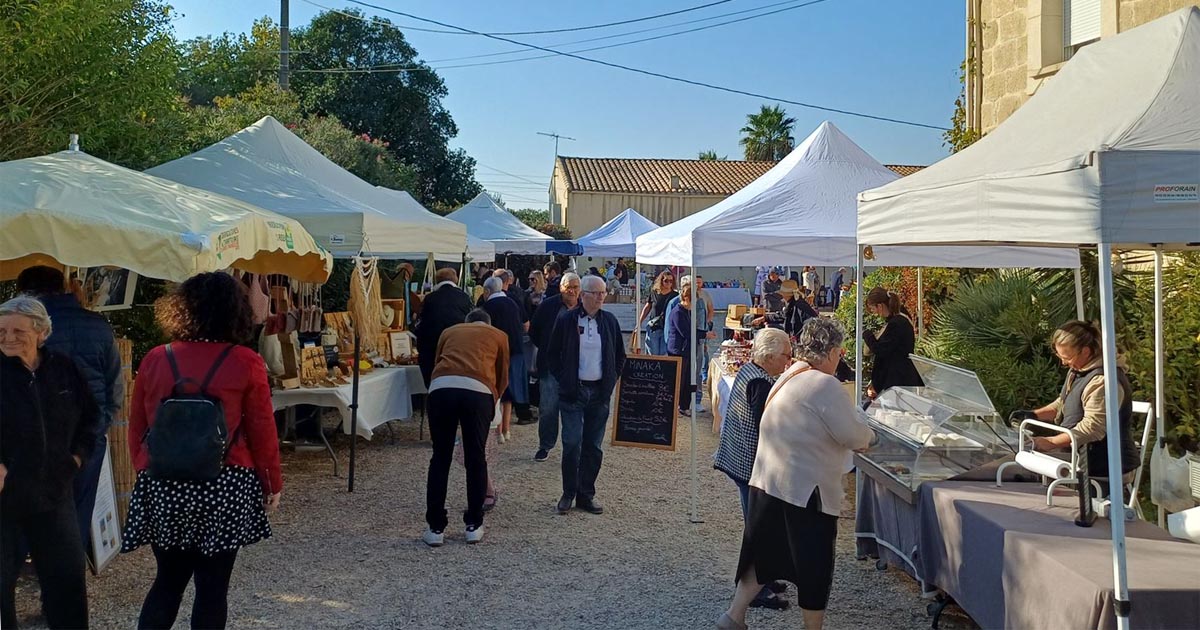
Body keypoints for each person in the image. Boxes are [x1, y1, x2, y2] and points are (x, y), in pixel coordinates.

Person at [123, 272, 281, 630]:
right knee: (212, 588)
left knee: (167, 582)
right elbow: (262, 430)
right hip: (226, 481)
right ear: (236, 311)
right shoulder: (245, 360)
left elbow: (138, 425)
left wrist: (143, 467)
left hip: (165, 482)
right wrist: (271, 482)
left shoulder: (156, 358)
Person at [718, 318, 874, 630]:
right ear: (830, 352)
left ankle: (733, 616)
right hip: (805, 491)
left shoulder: (789, 374)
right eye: (839, 352)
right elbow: (852, 435)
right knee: (813, 564)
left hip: (768, 481)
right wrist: (872, 436)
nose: (839, 359)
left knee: (761, 555)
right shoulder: (823, 384)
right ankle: (811, 627)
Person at [0, 296, 99, 630]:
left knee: (67, 583)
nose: (8, 337)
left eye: (17, 330)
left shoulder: (63, 369)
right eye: (1, 330)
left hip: (55, 493)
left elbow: (91, 419)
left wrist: (76, 458)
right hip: (5, 498)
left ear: (41, 332)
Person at [16, 266, 123, 554]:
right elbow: (115, 385)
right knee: (79, 504)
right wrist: (101, 424)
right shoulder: (98, 325)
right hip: (88, 435)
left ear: (27, 293)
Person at [713, 328, 793, 611]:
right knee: (759, 529)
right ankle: (755, 590)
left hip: (738, 460)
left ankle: (765, 578)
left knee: (758, 525)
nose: (789, 359)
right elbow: (767, 427)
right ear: (770, 355)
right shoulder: (759, 383)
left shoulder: (749, 370)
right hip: (749, 466)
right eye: (786, 354)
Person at [422, 309, 510, 547]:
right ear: (487, 323)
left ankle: (435, 527)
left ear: (466, 322)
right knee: (476, 458)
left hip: (441, 387)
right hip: (478, 390)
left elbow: (437, 360)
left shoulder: (449, 332)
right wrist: (493, 401)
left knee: (440, 457)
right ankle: (474, 524)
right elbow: (502, 375)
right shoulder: (499, 335)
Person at [1019, 321, 1139, 481]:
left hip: (1103, 464)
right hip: (1077, 455)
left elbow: (1093, 428)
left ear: (1086, 352)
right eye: (1059, 356)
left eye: (1067, 357)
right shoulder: (1078, 370)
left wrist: (1051, 442)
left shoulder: (1103, 381)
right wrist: (1032, 415)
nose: (1063, 363)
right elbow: (1063, 403)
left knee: (1025, 470)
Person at [547, 275, 626, 516]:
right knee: (572, 443)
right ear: (584, 295)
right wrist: (566, 381)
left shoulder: (609, 321)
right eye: (596, 293)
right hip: (574, 392)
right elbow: (552, 354)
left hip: (599, 392)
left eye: (603, 293)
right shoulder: (567, 320)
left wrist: (610, 381)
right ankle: (568, 492)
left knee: (593, 446)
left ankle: (586, 494)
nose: (601, 297)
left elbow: (620, 356)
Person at [529, 273, 582, 461]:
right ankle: (545, 445)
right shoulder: (549, 306)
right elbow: (534, 331)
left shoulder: (585, 306)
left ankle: (574, 447)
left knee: (575, 407)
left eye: (576, 287)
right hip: (552, 365)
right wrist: (547, 348)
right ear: (561, 288)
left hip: (578, 366)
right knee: (549, 407)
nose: (572, 291)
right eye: (568, 287)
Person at [481, 276, 526, 442]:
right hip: (516, 350)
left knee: (497, 389)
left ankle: (497, 430)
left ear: (487, 291)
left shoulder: (488, 306)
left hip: (496, 352)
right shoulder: (513, 303)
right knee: (510, 390)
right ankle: (506, 430)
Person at [414, 268, 473, 387]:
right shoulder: (464, 297)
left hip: (432, 348)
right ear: (455, 279)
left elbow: (422, 323)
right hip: (457, 346)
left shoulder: (430, 298)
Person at [862, 287, 923, 402]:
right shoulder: (899, 320)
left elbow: (880, 350)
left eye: (872, 309)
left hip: (897, 380)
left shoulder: (897, 324)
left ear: (880, 306)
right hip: (897, 379)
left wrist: (867, 335)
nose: (874, 313)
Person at [667, 284, 715, 418]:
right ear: (687, 298)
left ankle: (684, 406)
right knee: (679, 380)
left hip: (687, 350)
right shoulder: (678, 312)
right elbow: (686, 332)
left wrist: (705, 333)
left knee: (688, 379)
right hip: (678, 350)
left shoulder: (687, 311)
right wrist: (705, 334)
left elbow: (693, 330)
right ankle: (674, 406)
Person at [637, 270, 677, 356]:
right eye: (666, 281)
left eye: (671, 281)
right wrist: (639, 322)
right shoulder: (654, 293)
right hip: (654, 327)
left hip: (667, 328)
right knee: (653, 353)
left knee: (664, 354)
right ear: (661, 281)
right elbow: (648, 307)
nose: (668, 283)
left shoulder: (675, 296)